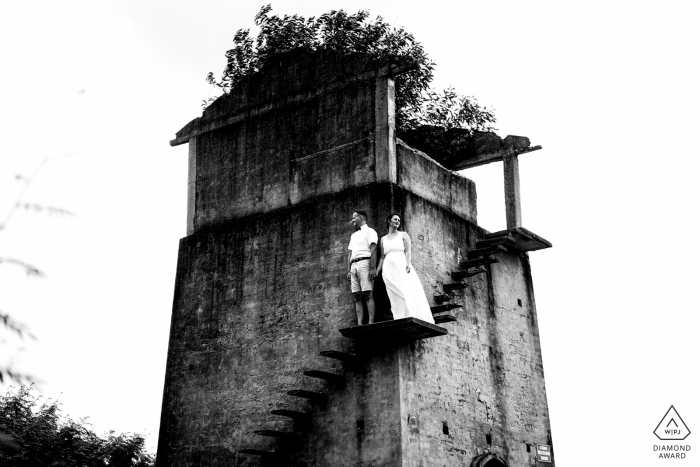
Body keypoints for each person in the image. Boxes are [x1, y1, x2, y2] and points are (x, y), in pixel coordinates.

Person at [376, 213, 435, 324]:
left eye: (399, 220)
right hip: (388, 266)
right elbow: (382, 257)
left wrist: (408, 264)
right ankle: (399, 316)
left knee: (406, 289)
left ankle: (411, 314)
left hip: (400, 262)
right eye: (395, 219)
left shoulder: (403, 235)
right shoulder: (383, 239)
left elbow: (408, 251)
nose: (397, 221)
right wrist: (377, 270)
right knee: (393, 291)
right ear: (389, 221)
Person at [347, 210, 378, 325]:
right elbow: (349, 254)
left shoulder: (370, 231)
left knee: (367, 293)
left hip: (365, 262)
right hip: (354, 265)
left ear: (361, 217)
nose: (352, 220)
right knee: (356, 295)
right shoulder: (354, 235)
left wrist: (372, 268)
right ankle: (360, 323)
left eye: (354, 218)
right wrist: (349, 270)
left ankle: (370, 322)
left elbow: (373, 249)